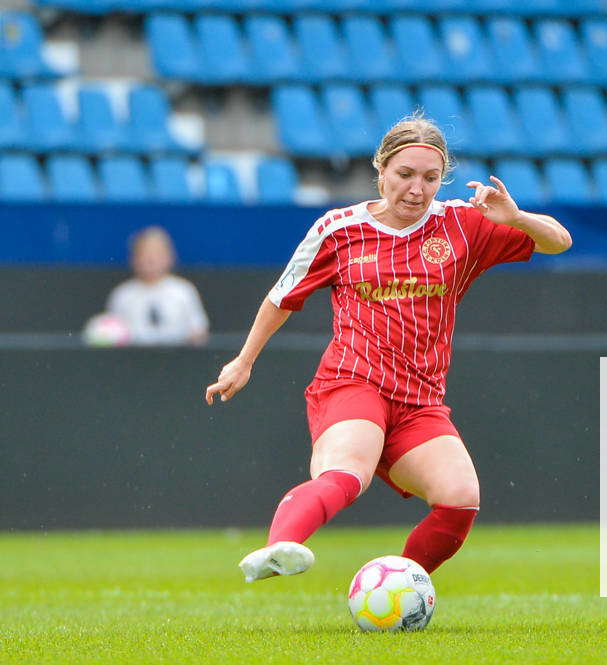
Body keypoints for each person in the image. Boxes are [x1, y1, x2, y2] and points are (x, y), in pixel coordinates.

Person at [205, 115, 571, 583]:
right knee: (348, 470)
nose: (417, 189)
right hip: (353, 381)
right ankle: (280, 548)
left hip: (420, 400)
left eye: (430, 177)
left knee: (461, 496)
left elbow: (560, 242)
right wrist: (244, 360)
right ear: (381, 170)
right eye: (405, 174)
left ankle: (398, 586)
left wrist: (516, 217)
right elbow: (282, 297)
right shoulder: (338, 228)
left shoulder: (463, 224)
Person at [102, 226, 209, 346]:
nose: (151, 260)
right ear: (134, 258)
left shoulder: (184, 291)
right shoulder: (122, 295)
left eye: (157, 254)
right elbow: (111, 335)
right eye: (144, 254)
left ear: (170, 257)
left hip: (178, 358)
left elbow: (199, 331)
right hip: (132, 360)